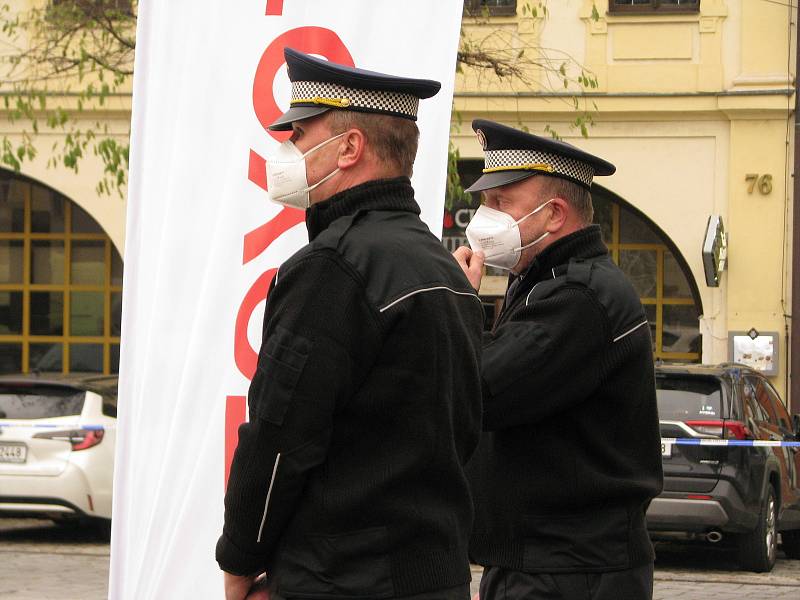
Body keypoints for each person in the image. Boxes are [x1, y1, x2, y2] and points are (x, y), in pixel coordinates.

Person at [216, 48, 484, 600]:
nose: (287, 149)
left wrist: (240, 559)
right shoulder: (442, 266)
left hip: (343, 579)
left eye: (299, 135)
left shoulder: (332, 268)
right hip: (435, 577)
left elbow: (280, 439)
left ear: (349, 148)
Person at [453, 119, 663, 600]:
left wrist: (462, 305)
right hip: (544, 560)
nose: (483, 217)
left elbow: (481, 389)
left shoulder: (579, 296)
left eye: (501, 202)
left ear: (553, 215)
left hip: (570, 569)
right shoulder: (546, 282)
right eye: (485, 201)